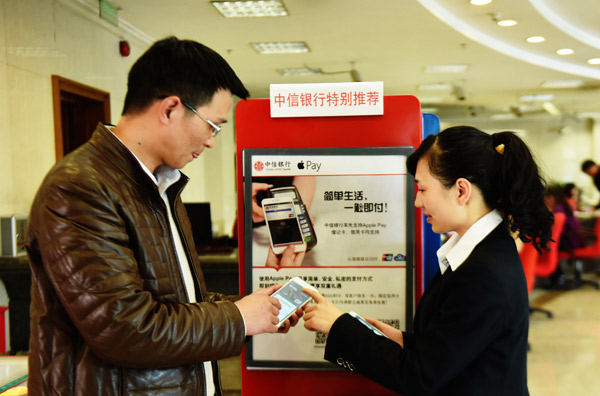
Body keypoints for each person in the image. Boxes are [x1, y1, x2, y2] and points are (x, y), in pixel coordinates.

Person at [26, 37, 299, 396]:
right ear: (170, 109)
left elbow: (173, 305)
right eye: (213, 126)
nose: (212, 142)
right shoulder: (80, 187)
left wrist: (250, 310)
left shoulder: (160, 186)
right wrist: (239, 318)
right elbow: (126, 328)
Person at [302, 126, 553, 395]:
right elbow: (453, 348)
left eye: (422, 189)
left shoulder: (482, 274)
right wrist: (404, 343)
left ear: (461, 190)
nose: (418, 202)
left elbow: (419, 377)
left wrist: (338, 325)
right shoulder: (481, 254)